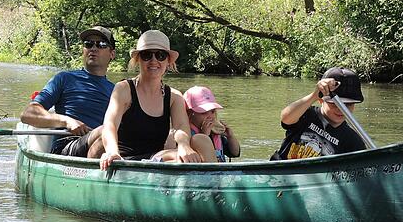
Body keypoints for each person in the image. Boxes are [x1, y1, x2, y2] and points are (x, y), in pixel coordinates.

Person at [99, 30, 213, 169]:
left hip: (156, 157)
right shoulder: (123, 89)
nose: (154, 61)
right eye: (147, 55)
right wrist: (112, 152)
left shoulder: (174, 97)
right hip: (126, 161)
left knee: (199, 144)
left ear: (168, 61)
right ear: (138, 59)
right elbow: (110, 125)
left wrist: (184, 145)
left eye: (160, 55)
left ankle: (218, 186)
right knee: (181, 159)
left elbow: (181, 127)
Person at [20, 26, 116, 157]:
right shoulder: (64, 79)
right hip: (68, 146)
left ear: (112, 54)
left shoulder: (118, 91)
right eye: (88, 44)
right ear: (83, 50)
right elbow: (28, 114)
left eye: (101, 44)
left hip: (105, 147)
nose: (93, 48)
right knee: (106, 131)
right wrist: (66, 121)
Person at [270, 67, 366, 161]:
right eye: (334, 104)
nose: (341, 109)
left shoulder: (353, 140)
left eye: (348, 104)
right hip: (280, 171)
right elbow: (286, 118)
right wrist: (314, 95)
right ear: (321, 100)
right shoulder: (305, 114)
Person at [182, 86, 240, 162]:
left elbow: (235, 153)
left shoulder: (216, 134)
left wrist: (230, 137)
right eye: (203, 113)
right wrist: (204, 135)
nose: (210, 117)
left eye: (212, 112)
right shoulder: (186, 136)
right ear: (189, 113)